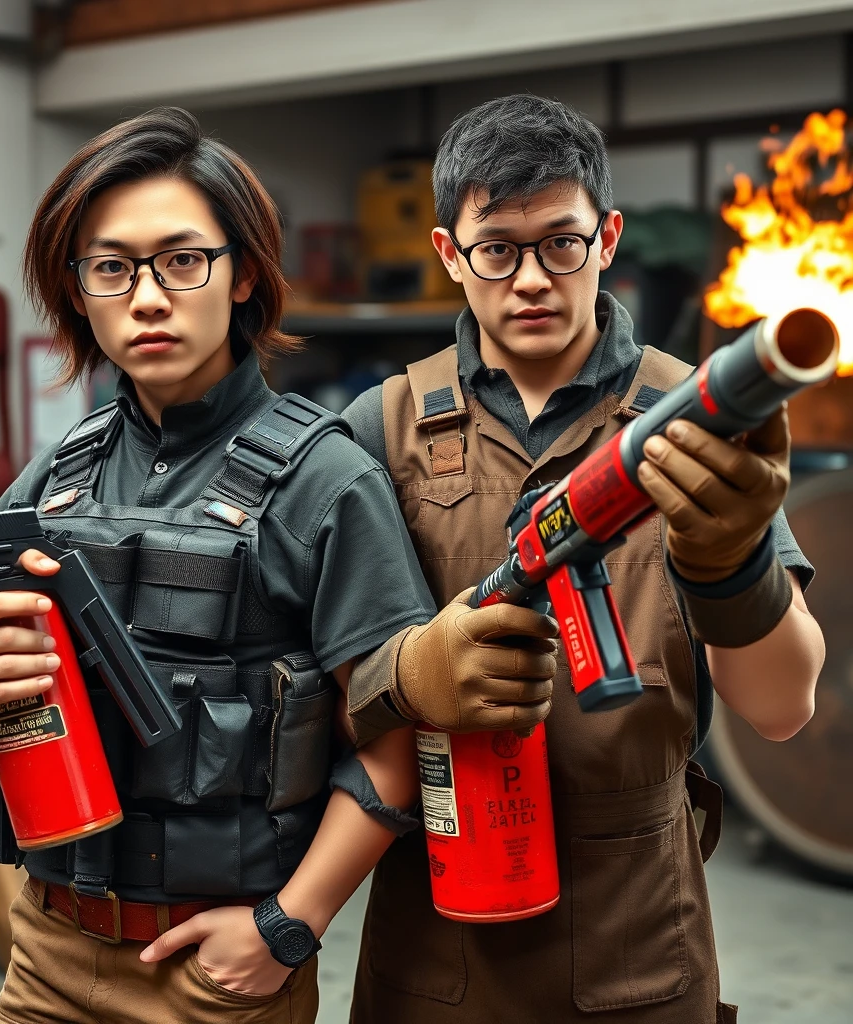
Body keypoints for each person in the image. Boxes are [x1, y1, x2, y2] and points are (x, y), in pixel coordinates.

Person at [0, 107, 550, 1024]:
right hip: (46, 953)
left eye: (182, 260)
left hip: (215, 974)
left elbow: (404, 734)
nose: (146, 297)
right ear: (79, 288)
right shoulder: (53, 480)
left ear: (243, 271)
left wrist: (290, 927)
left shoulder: (326, 482)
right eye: (111, 267)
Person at [343, 93, 825, 1024]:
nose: (531, 279)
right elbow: (322, 695)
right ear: (450, 254)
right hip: (438, 927)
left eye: (560, 243)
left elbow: (782, 708)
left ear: (605, 238)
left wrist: (728, 564)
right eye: (497, 249)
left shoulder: (697, 416)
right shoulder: (382, 428)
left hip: (639, 933)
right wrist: (412, 674)